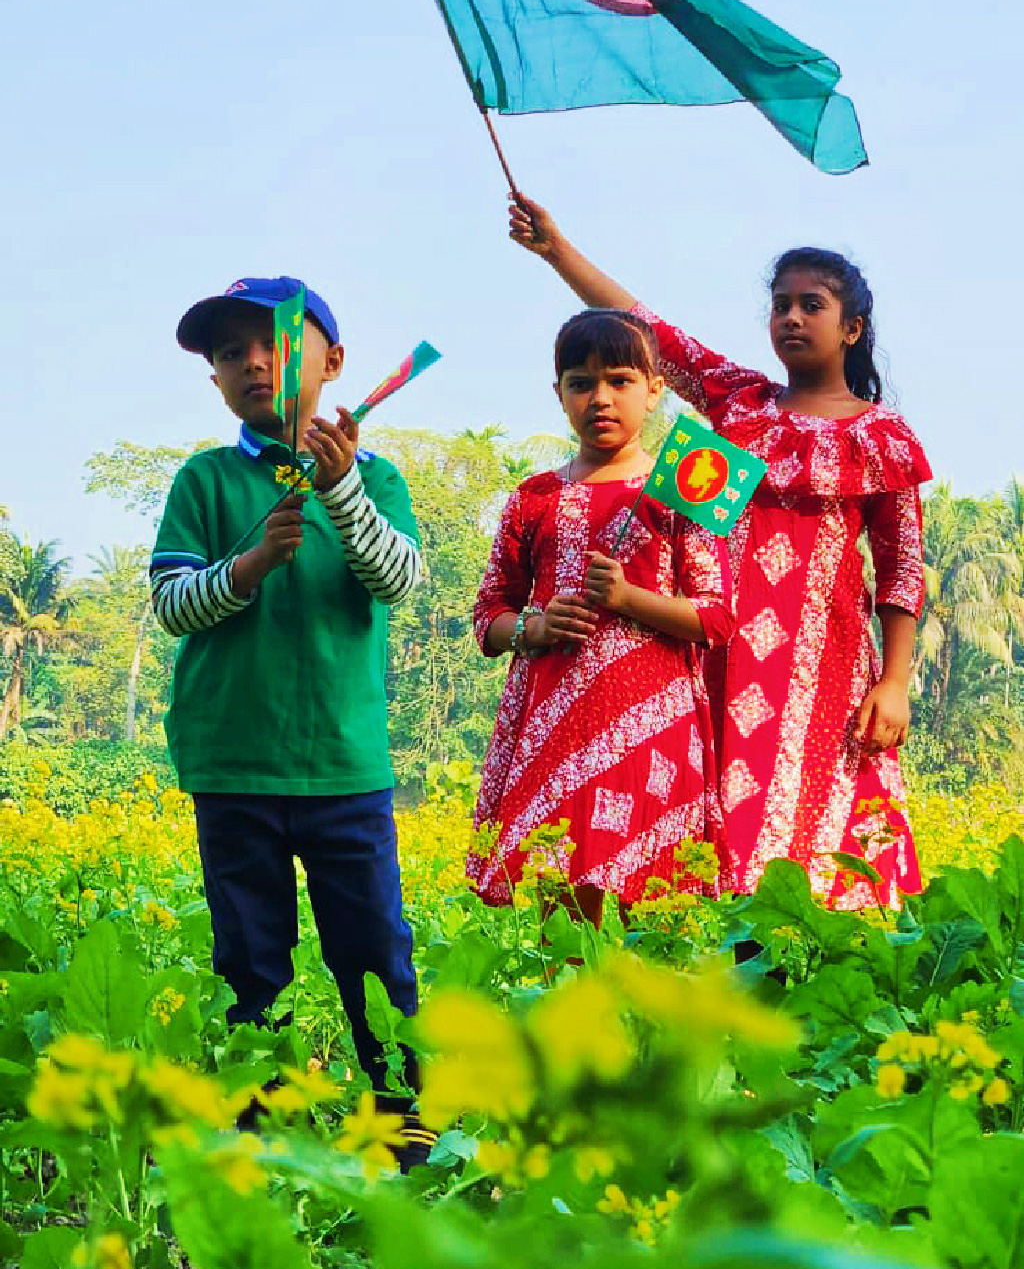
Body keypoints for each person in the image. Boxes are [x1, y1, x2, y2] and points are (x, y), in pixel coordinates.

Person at [505, 195, 932, 910]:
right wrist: (557, 250)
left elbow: (902, 569)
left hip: (826, 665)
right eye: (780, 304)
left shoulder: (882, 437)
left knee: (832, 854)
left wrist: (894, 681)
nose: (791, 317)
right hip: (719, 658)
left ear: (852, 327)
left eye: (811, 305)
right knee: (713, 853)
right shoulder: (738, 403)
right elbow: (652, 331)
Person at [149, 275, 429, 1155]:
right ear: (215, 379)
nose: (253, 361)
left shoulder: (378, 478)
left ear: (334, 363)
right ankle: (260, 1134)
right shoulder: (204, 479)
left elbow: (401, 582)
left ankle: (403, 1133)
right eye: (230, 352)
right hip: (233, 763)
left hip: (345, 766)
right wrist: (249, 566)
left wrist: (341, 493)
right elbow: (170, 601)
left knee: (375, 955)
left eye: (277, 341)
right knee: (251, 958)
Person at [467, 307, 734, 920]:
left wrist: (628, 600)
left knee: (656, 916)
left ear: (654, 390)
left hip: (653, 727)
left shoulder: (685, 488)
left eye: (620, 380)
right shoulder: (533, 497)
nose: (601, 399)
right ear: (558, 394)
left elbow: (717, 619)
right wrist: (533, 628)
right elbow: (489, 617)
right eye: (581, 384)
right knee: (560, 916)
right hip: (553, 726)